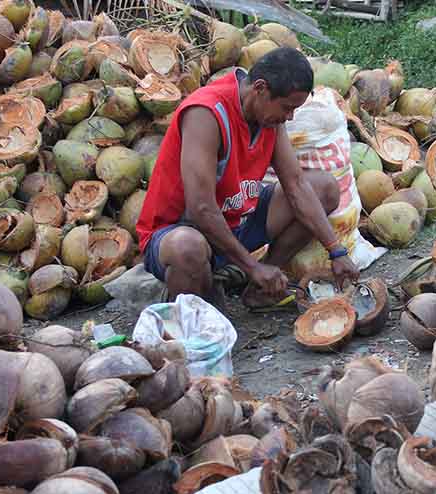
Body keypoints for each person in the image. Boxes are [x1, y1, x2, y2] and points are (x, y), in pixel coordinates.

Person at [136, 46, 360, 309]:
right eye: (287, 108)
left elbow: (296, 184)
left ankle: (260, 288)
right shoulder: (206, 113)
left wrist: (336, 250)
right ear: (261, 88)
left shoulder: (268, 118)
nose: (289, 117)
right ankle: (190, 317)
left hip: (237, 220)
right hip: (182, 231)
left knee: (324, 188)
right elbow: (201, 208)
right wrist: (251, 265)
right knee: (188, 247)